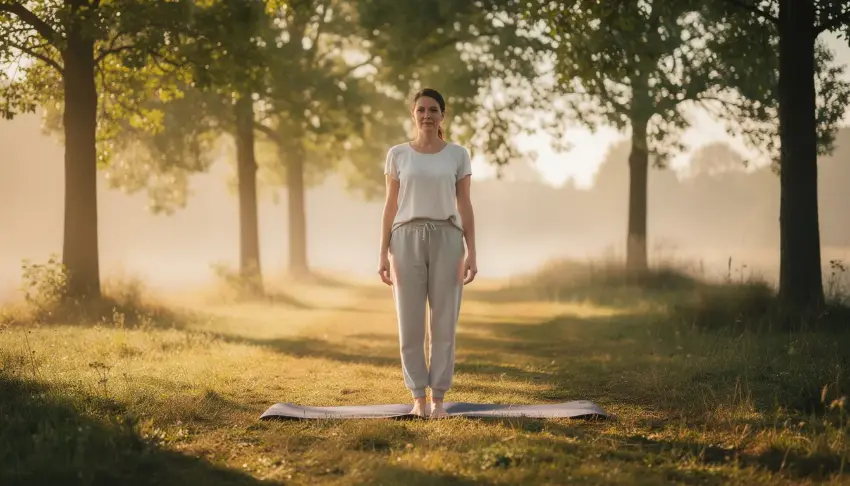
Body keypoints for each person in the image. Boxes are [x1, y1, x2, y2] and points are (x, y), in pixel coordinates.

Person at [378, 88, 478, 419]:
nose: (426, 115)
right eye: (420, 110)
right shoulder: (398, 155)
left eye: (433, 109)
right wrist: (382, 254)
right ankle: (417, 397)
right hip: (405, 239)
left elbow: (464, 204)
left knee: (444, 320)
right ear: (413, 115)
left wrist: (472, 252)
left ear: (442, 116)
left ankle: (438, 399)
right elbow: (390, 206)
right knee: (410, 322)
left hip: (448, 239)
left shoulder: (458, 155)